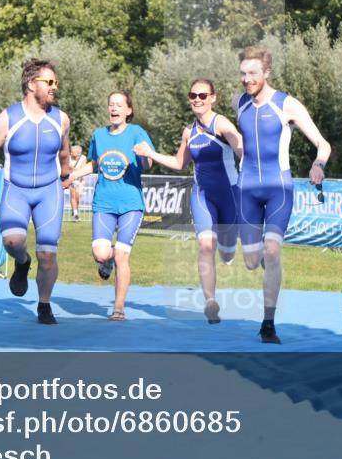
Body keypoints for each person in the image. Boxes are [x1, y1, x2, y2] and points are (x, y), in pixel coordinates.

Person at [0, 58, 72, 325]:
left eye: (56, 82)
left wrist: (67, 175)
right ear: (32, 84)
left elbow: (65, 153)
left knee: (47, 255)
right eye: (49, 82)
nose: (54, 87)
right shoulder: (8, 118)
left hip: (49, 193)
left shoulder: (61, 119)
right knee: (12, 242)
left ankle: (44, 305)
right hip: (16, 191)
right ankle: (22, 263)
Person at [236, 46, 331, 344]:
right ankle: (269, 267)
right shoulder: (239, 104)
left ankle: (268, 324)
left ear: (266, 72)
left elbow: (323, 144)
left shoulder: (286, 104)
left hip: (279, 188)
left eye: (253, 73)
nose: (247, 79)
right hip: (246, 191)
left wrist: (318, 164)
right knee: (253, 261)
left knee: (273, 251)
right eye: (243, 73)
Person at [134, 78, 243, 323]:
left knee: (226, 253)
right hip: (202, 195)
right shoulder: (188, 132)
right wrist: (150, 153)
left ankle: (229, 250)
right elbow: (179, 163)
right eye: (193, 95)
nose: (197, 99)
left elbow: (238, 144)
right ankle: (211, 302)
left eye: (203, 95)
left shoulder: (220, 123)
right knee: (206, 246)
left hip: (230, 195)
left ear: (213, 98)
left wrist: (248, 152)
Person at [66, 90, 153, 321]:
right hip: (103, 204)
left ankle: (118, 308)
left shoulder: (137, 133)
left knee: (123, 256)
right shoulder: (99, 135)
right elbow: (95, 164)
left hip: (130, 204)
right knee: (101, 253)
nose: (114, 108)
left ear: (128, 110)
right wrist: (73, 176)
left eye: (118, 105)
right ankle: (107, 262)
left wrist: (144, 154)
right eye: (111, 105)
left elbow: (149, 162)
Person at [67, 145, 87, 221]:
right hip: (71, 179)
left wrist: (73, 168)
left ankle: (75, 212)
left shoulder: (83, 158)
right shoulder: (68, 157)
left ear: (78, 152)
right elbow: (66, 168)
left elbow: (83, 169)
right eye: (71, 152)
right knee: (73, 195)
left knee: (77, 198)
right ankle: (75, 214)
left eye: (73, 152)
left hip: (80, 180)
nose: (71, 153)